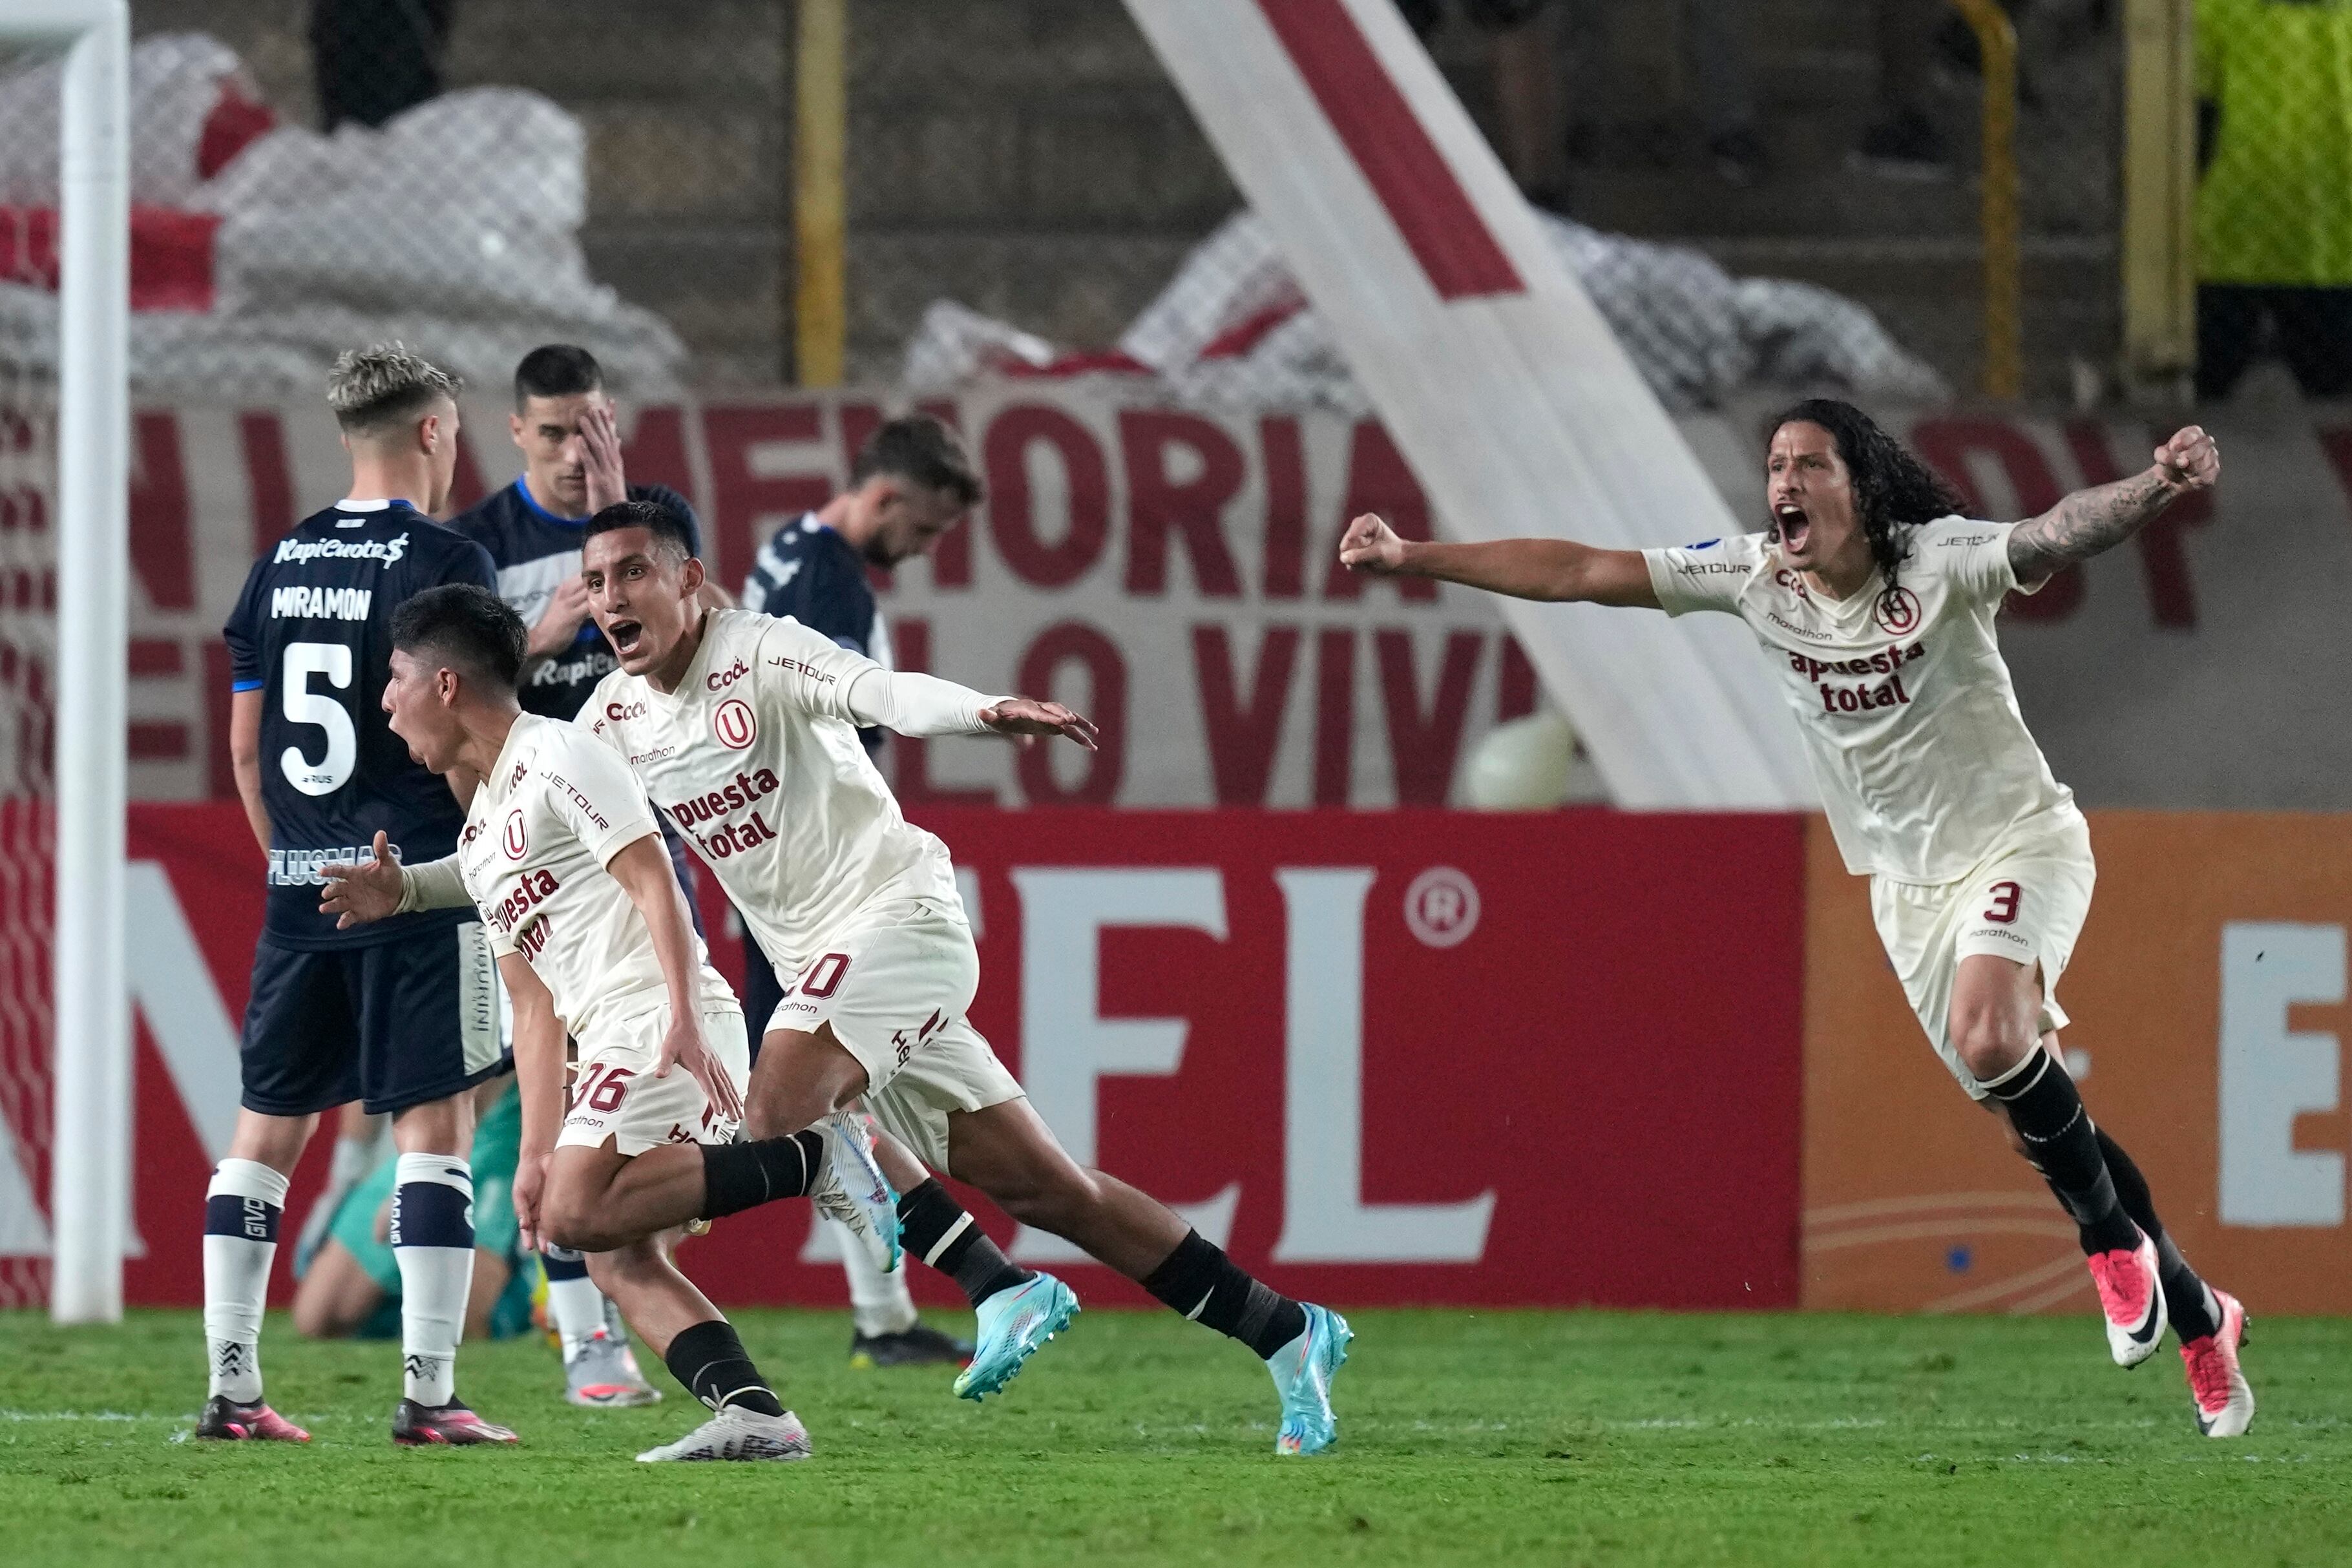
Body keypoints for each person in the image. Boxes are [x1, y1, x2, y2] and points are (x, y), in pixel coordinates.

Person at [1338, 400, 2254, 1439]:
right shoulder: (1753, 578)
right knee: (2033, 1124)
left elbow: (2054, 530)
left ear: (1856, 485)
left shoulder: (1940, 562)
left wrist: (2155, 485)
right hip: (1906, 891)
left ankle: (2107, 1246)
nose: (1783, 482)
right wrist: (1417, 555)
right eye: (1774, 465)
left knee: (1993, 1034)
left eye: (1808, 464)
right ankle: (2200, 1316)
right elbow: (1582, 570)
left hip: (2019, 842)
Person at [576, 499, 1354, 1456]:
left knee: (777, 1111)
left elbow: (885, 693)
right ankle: (1287, 1330)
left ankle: (991, 1277)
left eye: (633, 573)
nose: (611, 597)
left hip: (899, 921)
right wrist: (419, 886)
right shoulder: (611, 717)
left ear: (689, 579)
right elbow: (552, 825)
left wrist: (983, 712)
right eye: (598, 581)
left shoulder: (762, 652)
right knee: (1053, 1189)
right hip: (828, 970)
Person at [329, 582, 901, 1461]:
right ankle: (755, 1411)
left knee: (582, 1211)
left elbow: (653, 880)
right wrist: (532, 1150)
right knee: (614, 1254)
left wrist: (681, 1014)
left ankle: (815, 1155)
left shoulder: (563, 752)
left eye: (396, 678)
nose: (386, 701)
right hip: (616, 1031)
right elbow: (532, 1005)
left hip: (663, 1017)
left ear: (446, 683)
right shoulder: (484, 828)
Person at [205, 342, 516, 1447]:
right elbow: (473, 730)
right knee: (434, 1131)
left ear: (351, 435)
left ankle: (232, 1390)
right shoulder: (448, 561)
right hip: (417, 884)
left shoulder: (277, 561)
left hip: (300, 890)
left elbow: (246, 754)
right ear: (435, 431)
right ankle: (429, 1397)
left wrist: (298, 865)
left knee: (263, 1138)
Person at [448, 342, 710, 1407]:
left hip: (635, 833)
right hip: (525, 852)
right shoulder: (473, 544)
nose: (572, 451)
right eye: (553, 432)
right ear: (514, 433)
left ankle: (623, 1305)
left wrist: (621, 523)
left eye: (591, 428)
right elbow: (448, 692)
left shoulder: (654, 522)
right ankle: (589, 1343)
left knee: (663, 1074)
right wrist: (534, 632)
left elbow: (710, 650)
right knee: (529, 1070)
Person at [738, 412, 983, 1372]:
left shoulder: (791, 548)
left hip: (791, 871)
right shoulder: (825, 579)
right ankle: (597, 1266)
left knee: (825, 1102)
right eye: (922, 528)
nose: (920, 549)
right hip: (815, 877)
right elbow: (823, 719)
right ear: (883, 497)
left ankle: (884, 1312)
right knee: (793, 1102)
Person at [292, 1078, 540, 1348]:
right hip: (423, 1143)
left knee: (458, 1330)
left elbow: (494, 1073)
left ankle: (529, 1291)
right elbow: (365, 1061)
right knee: (319, 1318)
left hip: (507, 1153)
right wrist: (344, 1179)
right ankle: (403, 1312)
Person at [2193, 0, 2352, 399]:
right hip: (2332, 241)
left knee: (2206, 397)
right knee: (2331, 402)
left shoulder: (2218, 9)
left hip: (2236, 231)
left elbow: (2197, 118)